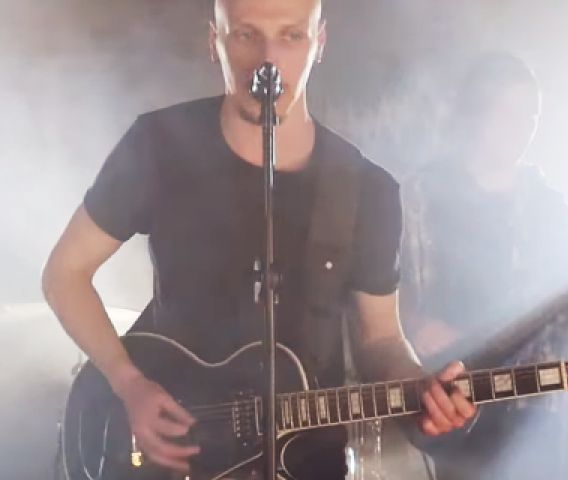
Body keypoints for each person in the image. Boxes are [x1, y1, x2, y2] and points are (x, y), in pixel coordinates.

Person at [41, 1, 476, 478]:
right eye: (246, 35)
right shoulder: (159, 144)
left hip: (307, 461)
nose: (268, 61)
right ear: (215, 42)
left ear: (319, 43)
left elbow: (381, 338)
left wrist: (422, 390)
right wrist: (128, 383)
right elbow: (65, 274)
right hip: (174, 452)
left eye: (291, 36)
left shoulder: (366, 189)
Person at [400, 52, 568, 479]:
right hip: (444, 415)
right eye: (506, 111)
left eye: (529, 116)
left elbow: (563, 334)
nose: (519, 127)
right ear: (474, 110)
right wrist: (414, 323)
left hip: (533, 419)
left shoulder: (552, 209)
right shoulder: (419, 195)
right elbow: (380, 300)